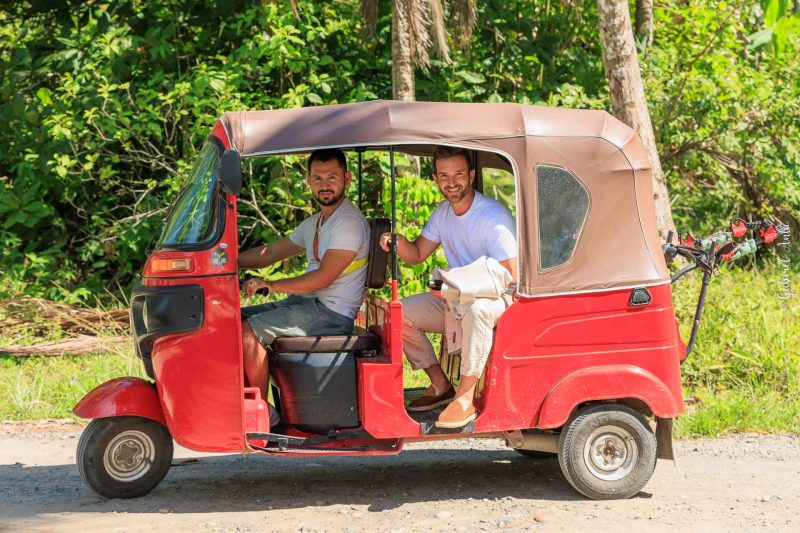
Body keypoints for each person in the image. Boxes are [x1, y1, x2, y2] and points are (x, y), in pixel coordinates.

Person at [380, 146, 517, 429]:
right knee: (401, 313)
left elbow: (511, 274)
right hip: (455, 295)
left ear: (471, 175)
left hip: (497, 297)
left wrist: (461, 285)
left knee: (477, 310)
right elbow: (416, 254)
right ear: (435, 179)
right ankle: (441, 386)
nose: (451, 182)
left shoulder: (493, 215)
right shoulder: (443, 213)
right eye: (444, 175)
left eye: (457, 174)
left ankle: (465, 398)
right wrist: (398, 240)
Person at [239, 148, 370, 409]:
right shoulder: (316, 222)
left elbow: (323, 278)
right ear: (308, 180)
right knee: (234, 320)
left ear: (347, 178)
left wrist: (271, 285)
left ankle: (261, 413)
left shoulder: (348, 223)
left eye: (332, 177)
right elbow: (271, 253)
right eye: (318, 178)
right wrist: (227, 258)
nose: (325, 185)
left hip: (332, 315)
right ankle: (240, 400)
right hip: (308, 305)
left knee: (249, 331)